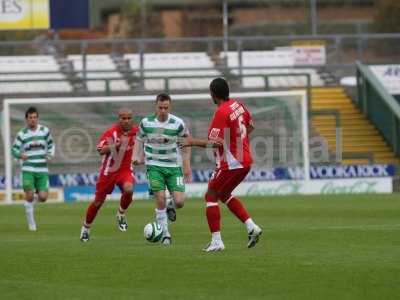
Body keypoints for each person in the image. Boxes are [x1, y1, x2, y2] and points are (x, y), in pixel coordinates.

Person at [181, 77, 262, 252]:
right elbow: (251, 126)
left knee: (210, 195)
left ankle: (217, 241)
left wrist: (192, 141)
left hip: (231, 163)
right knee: (224, 194)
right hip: (245, 160)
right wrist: (238, 141)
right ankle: (252, 227)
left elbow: (215, 143)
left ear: (213, 94)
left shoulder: (222, 112)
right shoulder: (238, 105)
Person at [133, 93, 192, 246]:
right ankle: (166, 234)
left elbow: (187, 143)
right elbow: (138, 140)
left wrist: (186, 166)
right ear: (156, 106)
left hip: (173, 166)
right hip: (154, 166)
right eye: (160, 107)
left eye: (166, 107)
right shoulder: (146, 123)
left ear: (170, 106)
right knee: (160, 198)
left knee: (180, 202)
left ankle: (170, 206)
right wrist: (136, 157)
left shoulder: (178, 123)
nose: (163, 110)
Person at [80, 108, 138, 242]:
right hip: (109, 172)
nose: (126, 121)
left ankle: (121, 214)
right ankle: (86, 228)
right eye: (123, 118)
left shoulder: (136, 131)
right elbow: (100, 150)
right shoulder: (112, 133)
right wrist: (115, 146)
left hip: (125, 170)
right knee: (98, 202)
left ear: (132, 119)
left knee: (129, 189)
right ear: (119, 119)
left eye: (129, 118)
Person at [11, 107, 55, 231]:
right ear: (26, 119)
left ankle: (29, 203)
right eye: (30, 118)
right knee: (29, 194)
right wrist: (20, 155)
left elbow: (51, 144)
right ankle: (32, 224)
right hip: (28, 168)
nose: (33, 120)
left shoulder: (45, 131)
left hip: (42, 169)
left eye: (35, 117)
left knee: (43, 197)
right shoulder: (22, 134)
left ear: (37, 118)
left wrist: (50, 154)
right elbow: (13, 149)